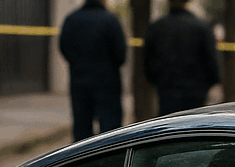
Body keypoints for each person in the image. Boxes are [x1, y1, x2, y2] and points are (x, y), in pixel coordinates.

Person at [58, 0, 127, 142]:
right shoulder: (110, 21)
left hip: (80, 82)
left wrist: (78, 64)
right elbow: (120, 54)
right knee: (110, 132)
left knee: (82, 131)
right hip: (107, 83)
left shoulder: (72, 20)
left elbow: (64, 47)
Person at [144, 0, 221, 116]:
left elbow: (148, 63)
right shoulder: (201, 27)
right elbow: (212, 63)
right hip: (195, 91)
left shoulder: (157, 27)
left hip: (167, 90)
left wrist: (160, 80)